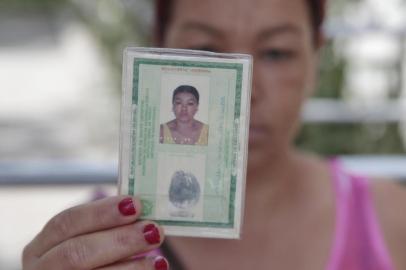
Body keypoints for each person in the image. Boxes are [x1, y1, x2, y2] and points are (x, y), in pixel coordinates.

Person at [22, 0, 406, 269]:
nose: (245, 92)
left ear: (315, 58)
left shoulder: (391, 220)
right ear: (160, 50)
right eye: (204, 48)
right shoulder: (100, 240)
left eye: (276, 53)